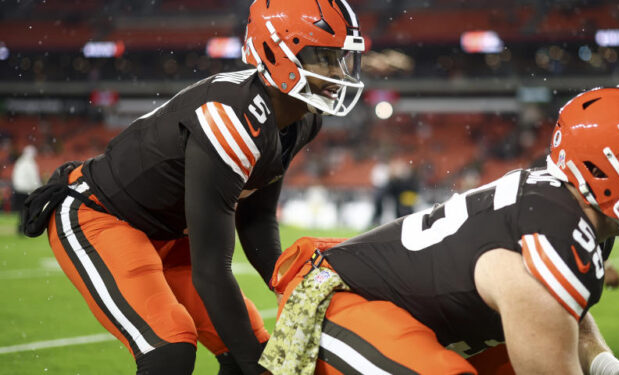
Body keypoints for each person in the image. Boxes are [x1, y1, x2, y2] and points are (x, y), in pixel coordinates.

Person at [20, 1, 365, 374]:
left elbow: (256, 220)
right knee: (170, 348)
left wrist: (291, 288)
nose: (337, 71)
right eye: (324, 57)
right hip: (103, 215)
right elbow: (211, 269)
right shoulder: (231, 117)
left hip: (169, 232)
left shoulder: (302, 119)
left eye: (341, 58)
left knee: (250, 349)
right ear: (275, 51)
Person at [258, 87, 619, 374]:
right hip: (341, 303)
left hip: (397, 308)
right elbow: (546, 302)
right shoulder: (556, 227)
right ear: (597, 167)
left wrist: (611, 369)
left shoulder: (570, 209)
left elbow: (565, 311)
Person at [11, 145, 42, 234]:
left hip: (18, 189)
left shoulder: (19, 162)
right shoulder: (30, 164)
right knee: (28, 210)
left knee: (21, 211)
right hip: (27, 190)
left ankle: (21, 227)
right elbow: (34, 178)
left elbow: (15, 176)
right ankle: (26, 228)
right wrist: (38, 189)